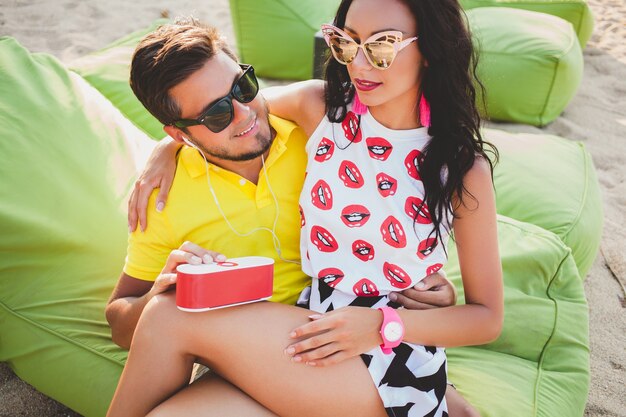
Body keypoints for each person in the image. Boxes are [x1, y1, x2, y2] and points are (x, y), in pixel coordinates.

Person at [107, 0, 502, 415]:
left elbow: (487, 317)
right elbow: (227, 118)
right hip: (309, 327)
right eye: (346, 44)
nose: (360, 64)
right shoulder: (321, 108)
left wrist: (383, 325)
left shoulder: (461, 168)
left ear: (431, 48)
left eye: (382, 46)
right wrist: (165, 148)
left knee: (170, 314)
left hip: (389, 360)